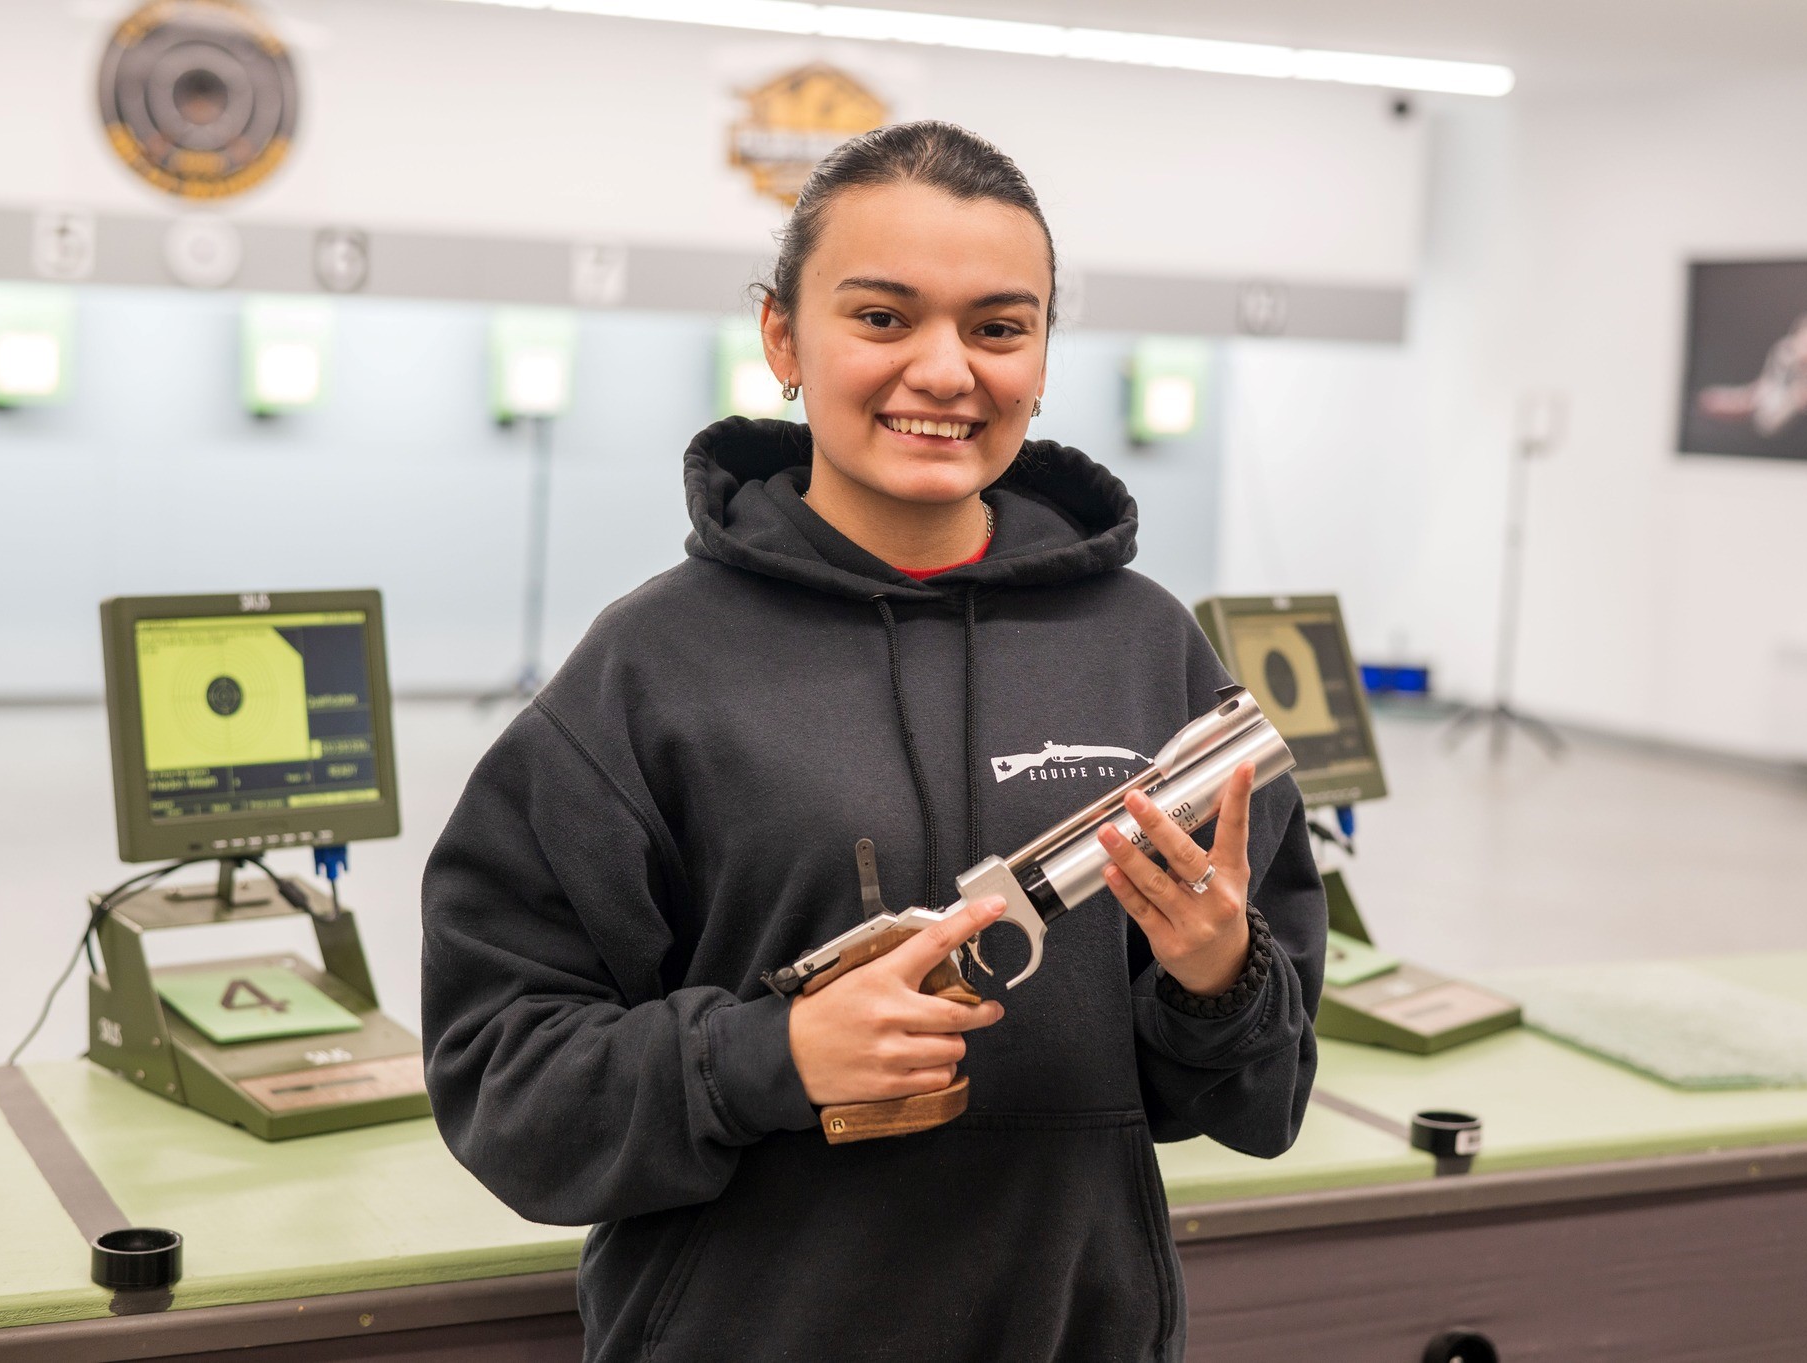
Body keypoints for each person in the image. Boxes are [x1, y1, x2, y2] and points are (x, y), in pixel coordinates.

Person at [422, 120, 1327, 1363]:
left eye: (998, 327)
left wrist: (1217, 974)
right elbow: (501, 1078)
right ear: (783, 338)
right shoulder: (649, 669)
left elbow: (1259, 1098)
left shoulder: (1145, 650)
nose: (945, 371)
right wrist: (770, 1055)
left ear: (1044, 355)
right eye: (884, 318)